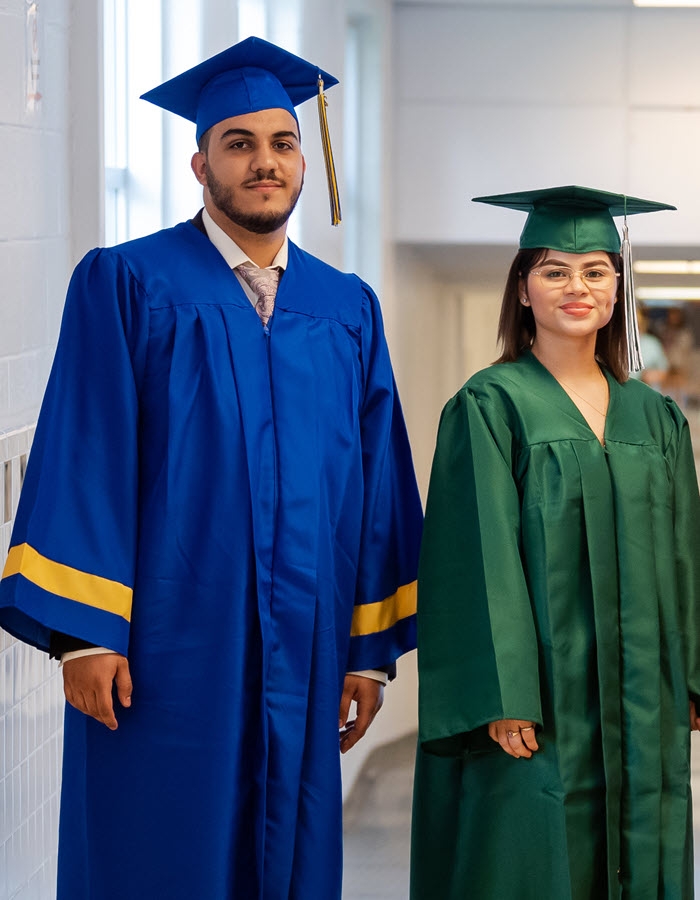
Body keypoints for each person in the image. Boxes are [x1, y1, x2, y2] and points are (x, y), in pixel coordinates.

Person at [0, 37, 422, 900]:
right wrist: (87, 634)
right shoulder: (127, 282)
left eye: (282, 142)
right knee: (158, 846)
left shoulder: (346, 309)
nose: (264, 162)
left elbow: (377, 486)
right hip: (163, 645)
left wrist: (367, 652)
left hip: (305, 646)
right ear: (201, 163)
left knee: (290, 849)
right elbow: (88, 449)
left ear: (304, 160)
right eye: (239, 144)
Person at [410, 186, 700, 899]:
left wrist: (691, 674)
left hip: (644, 700)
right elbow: (474, 554)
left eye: (596, 270)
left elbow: (687, 552)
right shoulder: (491, 404)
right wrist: (504, 691)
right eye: (555, 270)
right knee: (535, 855)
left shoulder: (657, 418)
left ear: (617, 287)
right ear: (524, 287)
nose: (578, 287)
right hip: (542, 701)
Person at [629, 304, 669, 390]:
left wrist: (653, 375)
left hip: (648, 394)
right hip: (627, 394)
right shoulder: (617, 345)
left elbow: (664, 372)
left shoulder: (652, 344)